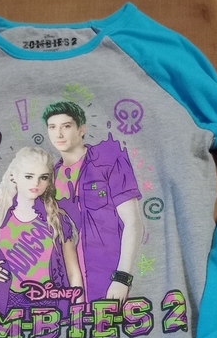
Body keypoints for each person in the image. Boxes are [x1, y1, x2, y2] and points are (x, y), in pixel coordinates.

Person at [0, 146, 83, 315]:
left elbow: (73, 273)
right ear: (13, 176)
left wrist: (79, 313)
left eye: (43, 177)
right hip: (9, 305)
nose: (36, 183)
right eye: (29, 176)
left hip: (53, 302)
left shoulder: (58, 219)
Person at [43, 100, 143, 304]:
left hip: (106, 277)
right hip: (65, 287)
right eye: (52, 127)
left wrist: (122, 277)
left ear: (81, 129)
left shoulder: (108, 160)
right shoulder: (49, 178)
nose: (58, 134)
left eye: (66, 126)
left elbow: (133, 222)